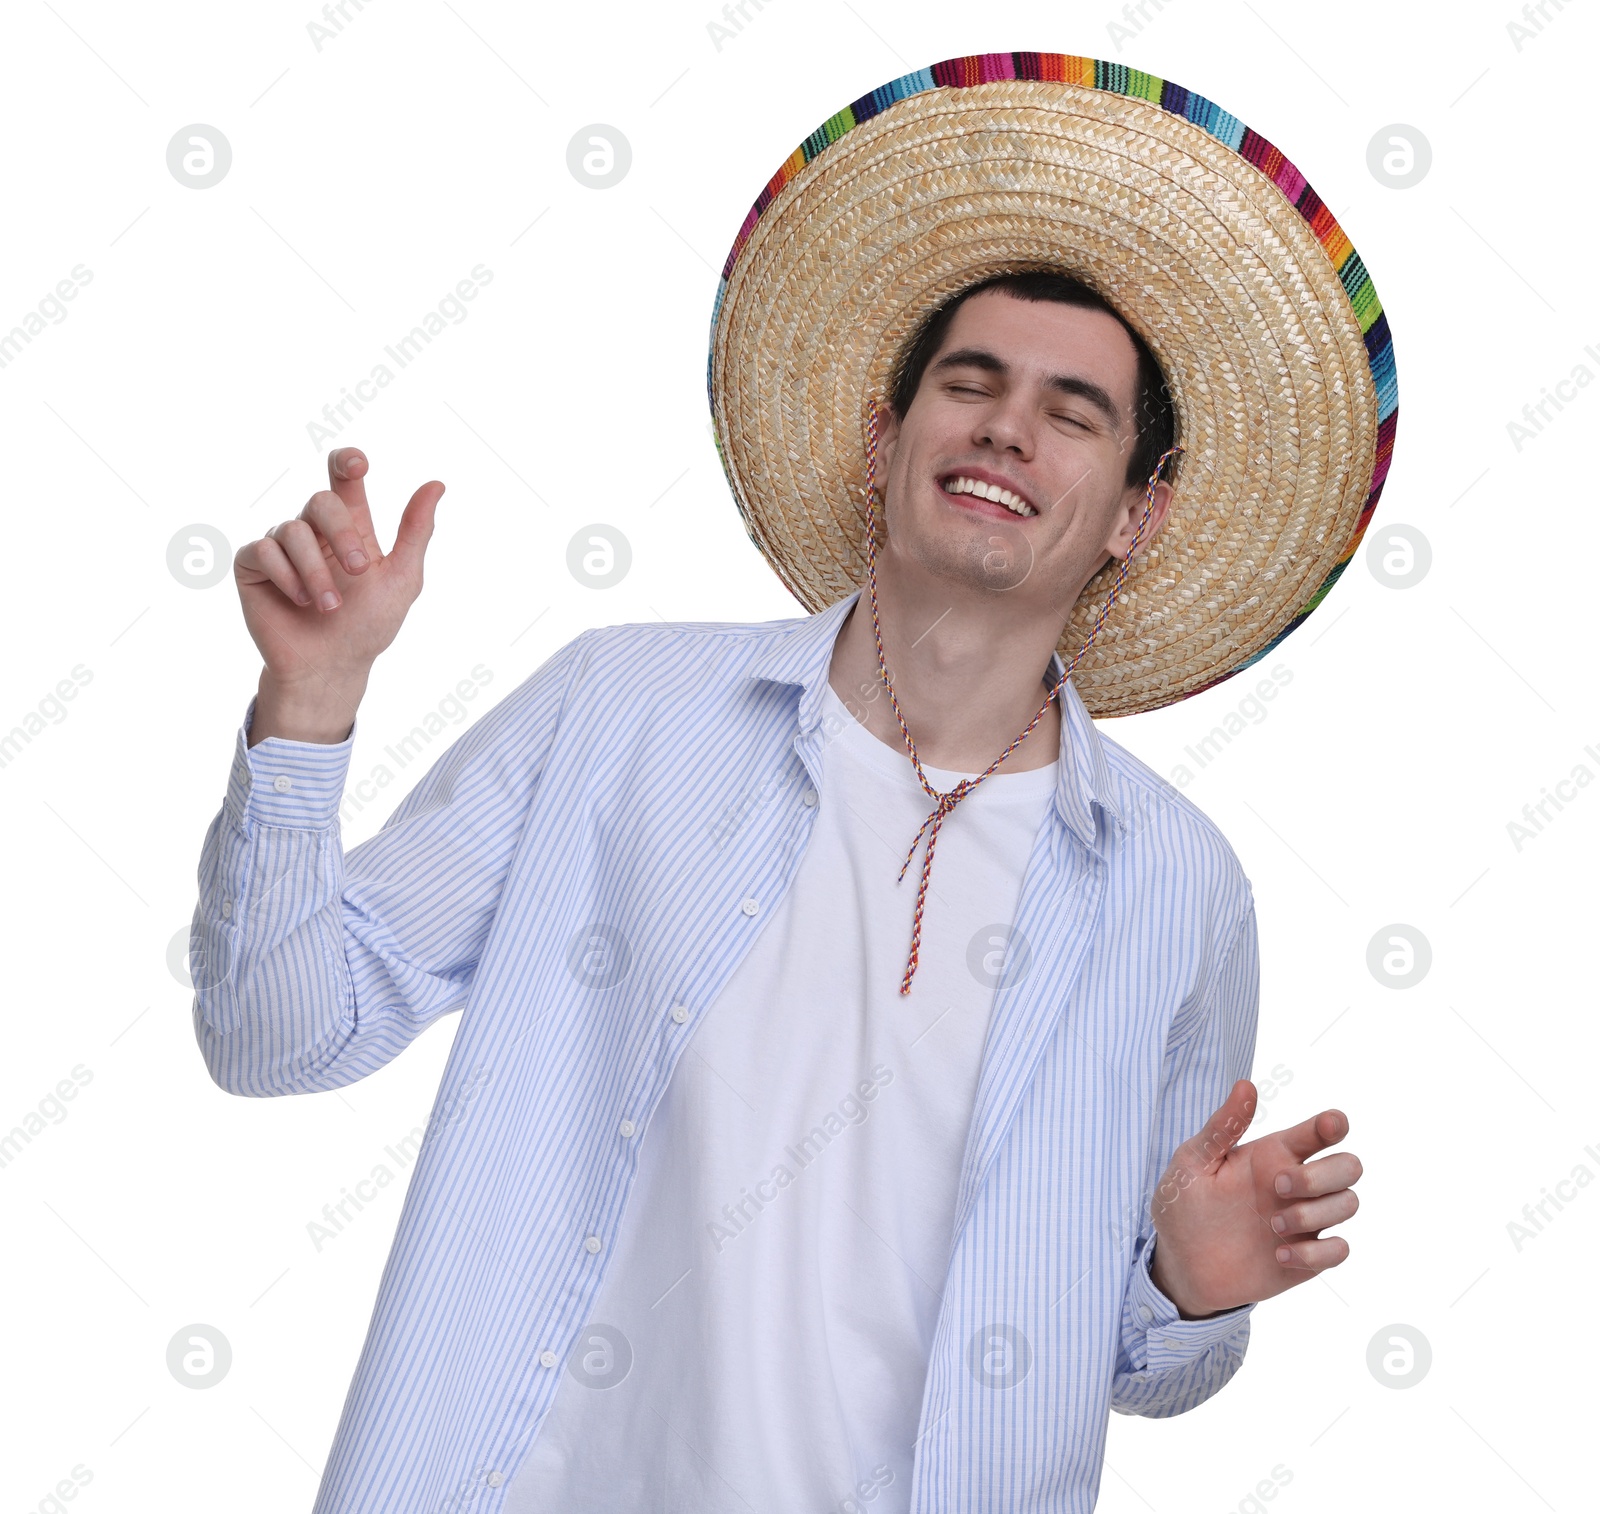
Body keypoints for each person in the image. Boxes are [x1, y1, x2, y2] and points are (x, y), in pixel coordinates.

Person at [191, 53, 1393, 1514]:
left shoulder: (1177, 884)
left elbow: (1146, 1359)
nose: (1009, 426)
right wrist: (310, 706)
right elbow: (277, 1031)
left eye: (1075, 412)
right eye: (971, 381)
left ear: (1137, 512)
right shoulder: (621, 709)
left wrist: (1193, 1287)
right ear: (889, 438)